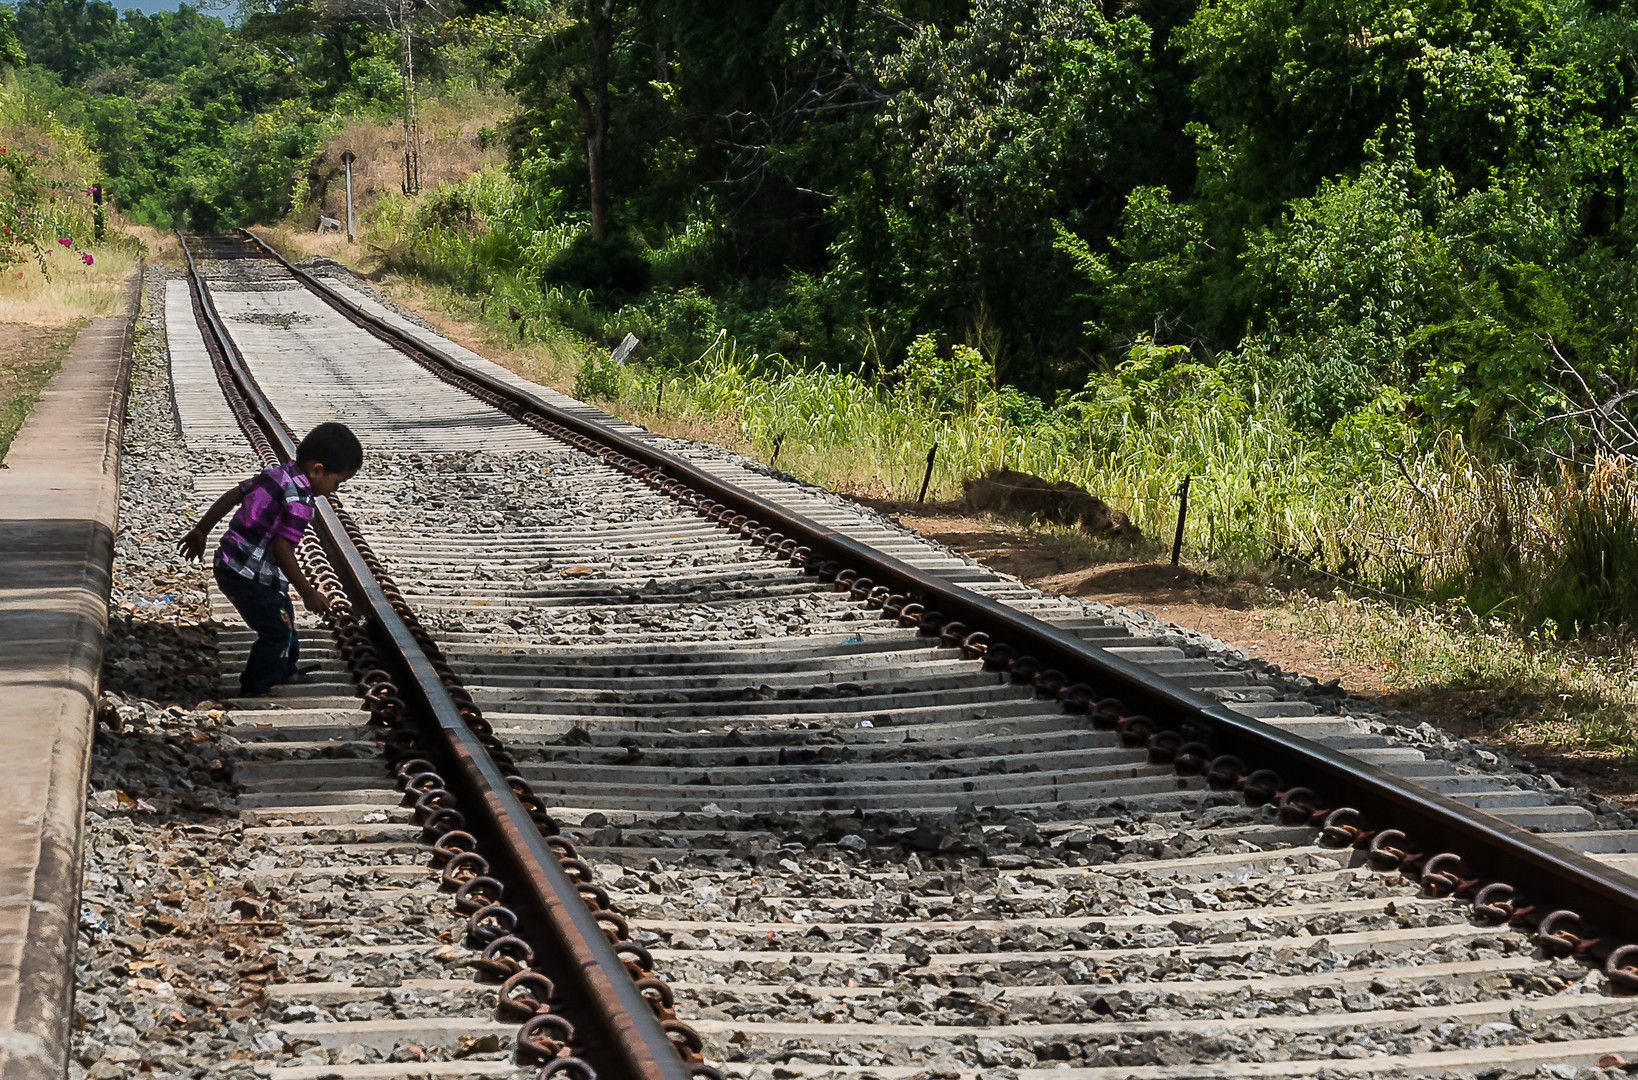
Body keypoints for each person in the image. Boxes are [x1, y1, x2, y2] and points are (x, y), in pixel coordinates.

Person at [177, 422, 363, 697]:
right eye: (337, 482)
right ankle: (255, 685)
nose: (333, 490)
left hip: (231, 562)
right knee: (276, 630)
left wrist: (202, 529)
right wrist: (308, 592)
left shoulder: (277, 472)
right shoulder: (300, 501)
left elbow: (234, 495)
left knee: (283, 613)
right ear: (318, 470)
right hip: (249, 576)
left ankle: (285, 669)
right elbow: (282, 549)